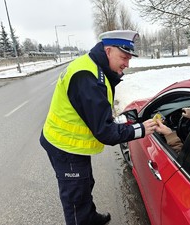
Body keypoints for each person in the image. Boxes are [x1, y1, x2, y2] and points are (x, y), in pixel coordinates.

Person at [39, 30, 157, 225]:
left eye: (129, 58)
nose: (127, 64)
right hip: (64, 145)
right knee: (75, 197)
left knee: (85, 183)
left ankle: (90, 218)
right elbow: (105, 133)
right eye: (124, 57)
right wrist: (141, 129)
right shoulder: (88, 77)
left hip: (71, 142)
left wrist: (119, 121)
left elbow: (96, 114)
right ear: (108, 50)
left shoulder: (94, 68)